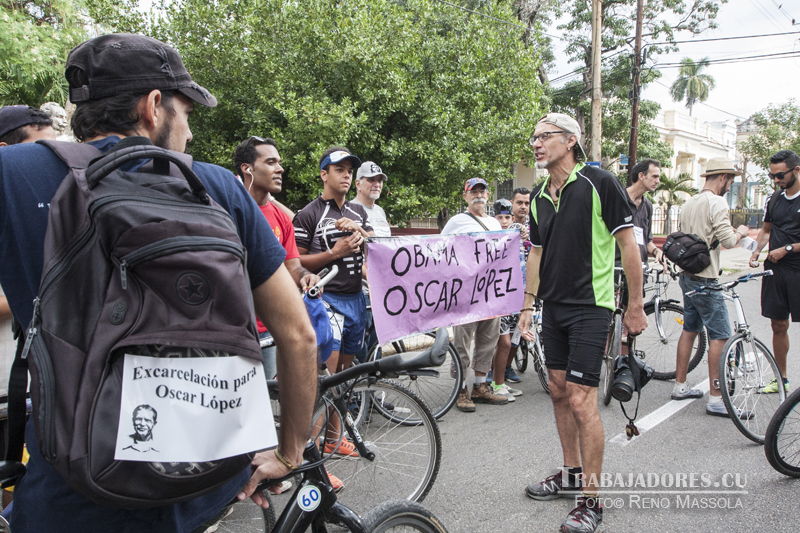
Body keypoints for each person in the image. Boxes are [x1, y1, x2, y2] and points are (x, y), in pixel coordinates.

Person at [0, 33, 317, 533]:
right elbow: (298, 335)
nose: (188, 133)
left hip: (68, 496)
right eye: (185, 113)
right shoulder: (216, 186)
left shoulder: (11, 173)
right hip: (198, 486)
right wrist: (289, 451)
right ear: (152, 107)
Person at [517, 113, 647, 533]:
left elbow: (628, 245)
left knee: (580, 399)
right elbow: (536, 253)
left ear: (570, 140)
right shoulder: (539, 196)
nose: (537, 143)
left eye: (545, 136)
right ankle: (571, 474)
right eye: (534, 137)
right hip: (553, 308)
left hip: (592, 306)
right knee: (557, 391)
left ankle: (591, 501)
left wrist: (636, 305)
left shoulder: (599, 182)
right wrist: (527, 305)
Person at [293, 146, 374, 457]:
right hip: (326, 301)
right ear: (324, 174)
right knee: (326, 379)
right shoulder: (309, 214)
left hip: (356, 300)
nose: (346, 175)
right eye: (339, 169)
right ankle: (310, 452)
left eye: (349, 171)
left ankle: (334, 439)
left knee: (344, 376)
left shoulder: (359, 212)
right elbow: (295, 262)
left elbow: (374, 250)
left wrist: (359, 230)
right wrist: (333, 253)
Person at [233, 136, 320, 380]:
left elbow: (293, 267)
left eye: (279, 162)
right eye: (271, 162)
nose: (280, 169)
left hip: (269, 329)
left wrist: (306, 276)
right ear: (247, 169)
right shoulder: (228, 210)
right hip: (233, 330)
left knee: (268, 398)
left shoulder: (282, 219)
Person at [670, 157, 751, 416]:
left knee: (690, 329)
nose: (730, 185)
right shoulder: (717, 202)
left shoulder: (690, 202)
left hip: (687, 274)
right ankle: (716, 399)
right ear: (723, 177)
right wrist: (741, 231)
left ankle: (680, 385)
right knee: (720, 335)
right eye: (731, 180)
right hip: (706, 278)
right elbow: (728, 241)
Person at [441, 178, 509, 412]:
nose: (478, 195)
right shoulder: (455, 222)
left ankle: (481, 386)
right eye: (474, 191)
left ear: (488, 195)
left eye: (482, 191)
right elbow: (440, 249)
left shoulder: (494, 223)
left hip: (490, 291)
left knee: (488, 340)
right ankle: (460, 390)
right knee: (462, 341)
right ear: (466, 196)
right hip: (464, 292)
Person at [748, 149, 800, 393]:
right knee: (778, 325)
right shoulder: (775, 198)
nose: (776, 180)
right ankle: (781, 379)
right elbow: (766, 230)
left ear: (796, 170)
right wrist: (757, 250)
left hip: (797, 269)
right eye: (772, 176)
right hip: (776, 270)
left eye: (780, 175)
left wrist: (788, 249)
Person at [488, 198, 523, 402]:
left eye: (507, 217)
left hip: (514, 297)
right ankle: (492, 382)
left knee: (509, 343)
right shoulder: (489, 238)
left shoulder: (518, 237)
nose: (503, 221)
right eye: (499, 217)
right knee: (503, 342)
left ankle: (498, 383)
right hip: (495, 298)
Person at [352, 161, 392, 237]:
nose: (377, 184)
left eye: (380, 180)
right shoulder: (349, 209)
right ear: (358, 184)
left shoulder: (380, 211)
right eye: (371, 180)